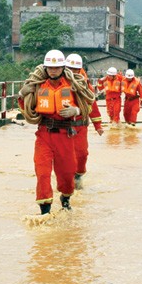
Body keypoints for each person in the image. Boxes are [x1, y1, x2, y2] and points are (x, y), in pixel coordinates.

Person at [18, 50, 95, 215]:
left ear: (62, 67)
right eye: (50, 68)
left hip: (65, 134)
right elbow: (26, 107)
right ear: (45, 68)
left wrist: (76, 111)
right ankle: (44, 211)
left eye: (57, 67)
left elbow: (88, 105)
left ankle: (65, 199)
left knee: (67, 174)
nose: (53, 71)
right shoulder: (37, 85)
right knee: (42, 173)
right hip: (44, 134)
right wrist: (22, 93)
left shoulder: (74, 85)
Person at [64, 54, 104, 189]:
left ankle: (78, 175)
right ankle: (65, 182)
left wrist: (98, 125)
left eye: (76, 69)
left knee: (82, 154)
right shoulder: (58, 80)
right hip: (62, 125)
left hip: (80, 126)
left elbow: (92, 104)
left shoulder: (85, 84)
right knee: (63, 156)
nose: (73, 72)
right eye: (70, 68)